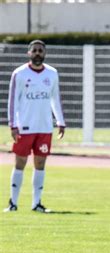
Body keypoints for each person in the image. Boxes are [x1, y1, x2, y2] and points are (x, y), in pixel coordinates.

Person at [4, 39, 66, 213]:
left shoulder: (52, 73)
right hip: (24, 127)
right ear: (29, 53)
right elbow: (12, 101)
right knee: (20, 163)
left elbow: (55, 99)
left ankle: (36, 203)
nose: (38, 53)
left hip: (45, 127)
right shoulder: (20, 73)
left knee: (40, 164)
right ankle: (13, 203)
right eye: (35, 50)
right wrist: (13, 125)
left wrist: (60, 121)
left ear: (44, 53)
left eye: (40, 50)